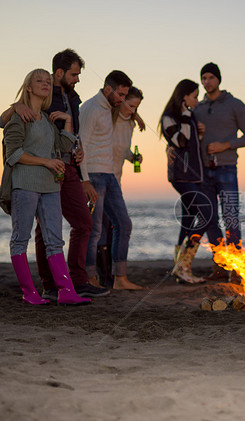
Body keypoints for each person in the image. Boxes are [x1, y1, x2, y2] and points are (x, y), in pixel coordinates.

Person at [0, 49, 109, 300]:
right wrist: (47, 161)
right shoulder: (19, 116)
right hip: (27, 182)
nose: (46, 84)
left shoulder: (51, 117)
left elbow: (62, 145)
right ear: (28, 87)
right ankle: (33, 291)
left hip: (52, 182)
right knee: (22, 238)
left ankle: (66, 291)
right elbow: (13, 153)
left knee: (54, 238)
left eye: (47, 82)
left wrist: (69, 126)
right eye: (40, 81)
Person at [193, 62, 245, 281]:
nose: (206, 82)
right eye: (203, 78)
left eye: (210, 77)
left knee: (231, 218)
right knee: (210, 220)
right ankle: (220, 267)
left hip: (227, 169)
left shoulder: (235, 105)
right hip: (204, 172)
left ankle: (238, 270)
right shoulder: (197, 108)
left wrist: (225, 145)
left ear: (218, 79)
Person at [79, 70, 142, 290]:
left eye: (126, 96)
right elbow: (81, 146)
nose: (123, 100)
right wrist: (84, 180)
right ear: (108, 89)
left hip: (110, 176)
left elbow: (126, 118)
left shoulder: (110, 109)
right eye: (121, 95)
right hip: (94, 176)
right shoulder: (91, 109)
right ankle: (89, 277)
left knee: (124, 223)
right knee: (94, 229)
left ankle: (119, 279)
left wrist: (136, 115)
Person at [160, 79, 210, 284]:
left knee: (188, 220)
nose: (197, 100)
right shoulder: (169, 117)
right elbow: (180, 142)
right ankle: (183, 265)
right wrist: (188, 119)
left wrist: (199, 130)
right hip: (181, 176)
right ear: (184, 97)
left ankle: (180, 268)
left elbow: (191, 144)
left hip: (193, 175)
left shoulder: (189, 115)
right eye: (195, 96)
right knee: (206, 214)